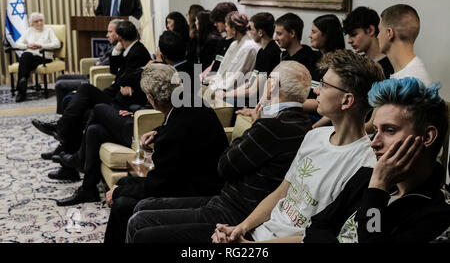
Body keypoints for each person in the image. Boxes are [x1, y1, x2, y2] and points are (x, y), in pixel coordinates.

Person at [124, 60, 313, 243]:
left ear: (272, 86)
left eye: (268, 79)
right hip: (230, 200)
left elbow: (224, 165)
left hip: (233, 209)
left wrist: (255, 125)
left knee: (139, 223)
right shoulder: (304, 123)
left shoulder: (271, 126)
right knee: (141, 207)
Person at [212, 49, 385, 243]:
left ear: (346, 100)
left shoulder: (364, 164)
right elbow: (282, 193)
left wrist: (250, 246)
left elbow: (320, 235)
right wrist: (240, 228)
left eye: (324, 85)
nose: (316, 91)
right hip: (258, 233)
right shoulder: (314, 135)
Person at [53, 30, 197, 206]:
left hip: (141, 126)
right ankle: (88, 189)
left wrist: (138, 112)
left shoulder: (179, 74)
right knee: (94, 130)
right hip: (137, 116)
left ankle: (77, 157)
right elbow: (127, 79)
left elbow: (172, 108)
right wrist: (148, 68)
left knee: (98, 108)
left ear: (163, 54)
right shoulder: (175, 68)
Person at [302, 77, 450, 243]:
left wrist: (378, 189)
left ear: (427, 137)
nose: (374, 142)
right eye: (375, 130)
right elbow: (316, 226)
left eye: (390, 130)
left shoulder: (439, 214)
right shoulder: (368, 174)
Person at [103, 64, 229, 243]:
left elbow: (158, 185)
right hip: (199, 177)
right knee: (124, 182)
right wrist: (157, 131)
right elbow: (179, 126)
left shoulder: (172, 135)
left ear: (152, 99)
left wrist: (117, 193)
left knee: (122, 203)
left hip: (198, 191)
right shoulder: (192, 101)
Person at [32, 21, 150, 161]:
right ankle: (64, 151)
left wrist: (125, 81)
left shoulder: (137, 51)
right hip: (114, 94)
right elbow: (115, 71)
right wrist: (117, 50)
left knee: (85, 89)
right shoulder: (129, 48)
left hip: (121, 102)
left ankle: (61, 130)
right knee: (79, 108)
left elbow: (124, 78)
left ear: (119, 37)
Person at [53, 19, 124, 116]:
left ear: (119, 33)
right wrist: (98, 63)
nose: (107, 35)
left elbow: (107, 64)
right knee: (59, 78)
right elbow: (99, 61)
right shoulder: (113, 46)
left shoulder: (119, 48)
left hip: (93, 79)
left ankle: (62, 116)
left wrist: (98, 63)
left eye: (110, 32)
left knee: (60, 84)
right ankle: (64, 116)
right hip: (90, 75)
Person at [222, 12, 281, 107]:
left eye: (251, 29)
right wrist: (229, 91)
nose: (249, 32)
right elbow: (250, 82)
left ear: (260, 32)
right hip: (252, 94)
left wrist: (226, 94)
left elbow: (254, 91)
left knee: (227, 99)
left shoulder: (271, 52)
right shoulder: (262, 51)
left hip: (261, 100)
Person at [206, 12, 259, 101]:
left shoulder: (249, 47)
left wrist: (217, 88)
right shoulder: (234, 44)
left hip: (236, 89)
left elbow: (238, 75)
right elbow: (223, 68)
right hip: (224, 84)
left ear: (234, 29)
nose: (226, 29)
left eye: (227, 26)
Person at [378, 4, 432, 85]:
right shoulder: (408, 74)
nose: (377, 36)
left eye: (380, 30)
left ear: (389, 33)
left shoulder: (412, 81)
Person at [14, 12, 60, 103]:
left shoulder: (48, 30)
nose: (39, 23)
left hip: (43, 56)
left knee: (24, 60)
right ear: (32, 23)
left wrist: (41, 45)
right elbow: (18, 43)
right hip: (30, 56)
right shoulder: (29, 30)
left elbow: (57, 44)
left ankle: (21, 88)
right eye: (36, 21)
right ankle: (23, 81)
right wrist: (28, 46)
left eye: (41, 20)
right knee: (26, 55)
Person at [343, 6, 394, 79]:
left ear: (370, 30)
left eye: (354, 34)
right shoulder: (356, 62)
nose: (349, 41)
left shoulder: (391, 65)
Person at [201, 2, 238, 79]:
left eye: (217, 21)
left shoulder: (235, 43)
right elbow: (214, 63)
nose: (215, 24)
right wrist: (203, 75)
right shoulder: (221, 41)